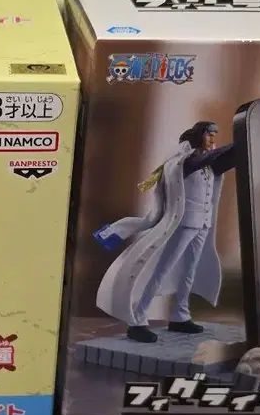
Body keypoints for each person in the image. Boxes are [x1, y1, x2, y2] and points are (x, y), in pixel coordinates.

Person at [93, 121, 236, 343]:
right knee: (162, 271)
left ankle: (180, 315)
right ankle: (138, 319)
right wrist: (238, 141)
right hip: (184, 224)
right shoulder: (186, 162)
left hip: (203, 224)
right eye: (209, 134)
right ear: (198, 136)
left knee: (189, 272)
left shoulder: (209, 164)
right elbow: (207, 158)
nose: (212, 139)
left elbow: (227, 159)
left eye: (214, 135)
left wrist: (244, 143)